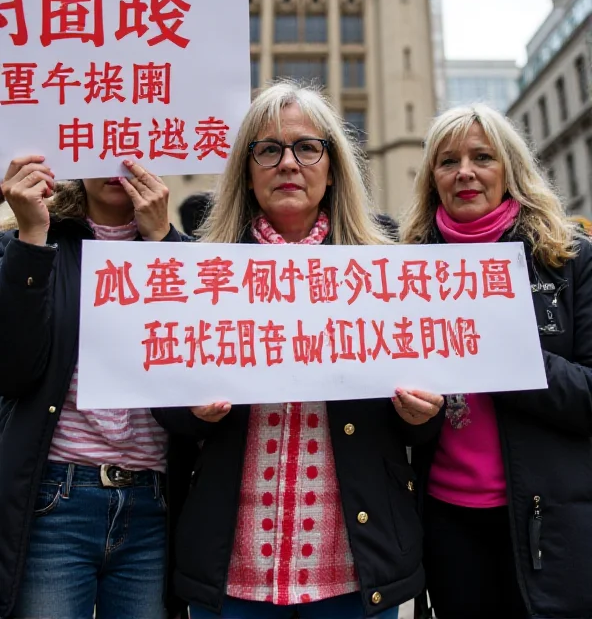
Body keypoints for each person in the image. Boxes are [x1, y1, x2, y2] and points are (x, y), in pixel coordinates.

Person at [153, 83, 444, 619]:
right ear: (247, 169)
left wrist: (422, 413)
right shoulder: (204, 268)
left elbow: (419, 423)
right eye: (268, 150)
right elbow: (166, 404)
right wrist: (190, 409)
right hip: (234, 569)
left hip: (356, 564)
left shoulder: (388, 266)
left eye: (308, 148)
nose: (288, 162)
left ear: (333, 167)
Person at [399, 104, 592, 619]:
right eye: (448, 160)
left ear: (508, 168)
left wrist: (505, 355)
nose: (465, 171)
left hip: (547, 520)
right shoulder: (401, 269)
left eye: (482, 157)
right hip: (446, 520)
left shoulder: (570, 258)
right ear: (432, 179)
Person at [0, 157, 186, 619]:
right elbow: (13, 371)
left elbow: (190, 383)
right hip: (56, 501)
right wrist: (31, 239)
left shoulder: (185, 253)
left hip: (152, 504)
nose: (120, 160)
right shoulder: (30, 241)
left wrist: (163, 243)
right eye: (103, 143)